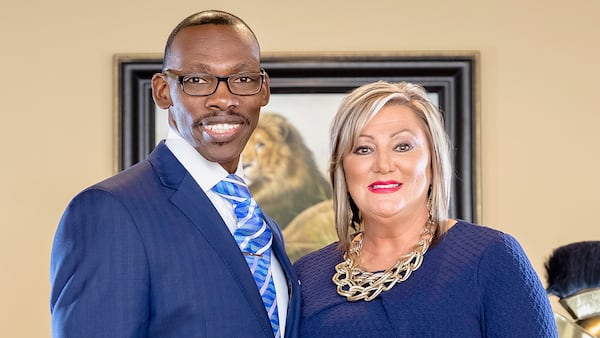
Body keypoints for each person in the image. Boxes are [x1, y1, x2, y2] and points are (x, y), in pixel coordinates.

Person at [50, 10, 299, 338]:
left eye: (242, 79)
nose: (223, 99)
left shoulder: (261, 225)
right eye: (197, 80)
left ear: (263, 89)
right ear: (162, 91)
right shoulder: (110, 211)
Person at [293, 81, 558, 337]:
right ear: (343, 169)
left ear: (433, 161)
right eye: (363, 149)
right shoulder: (307, 275)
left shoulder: (491, 257)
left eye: (403, 146)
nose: (383, 165)